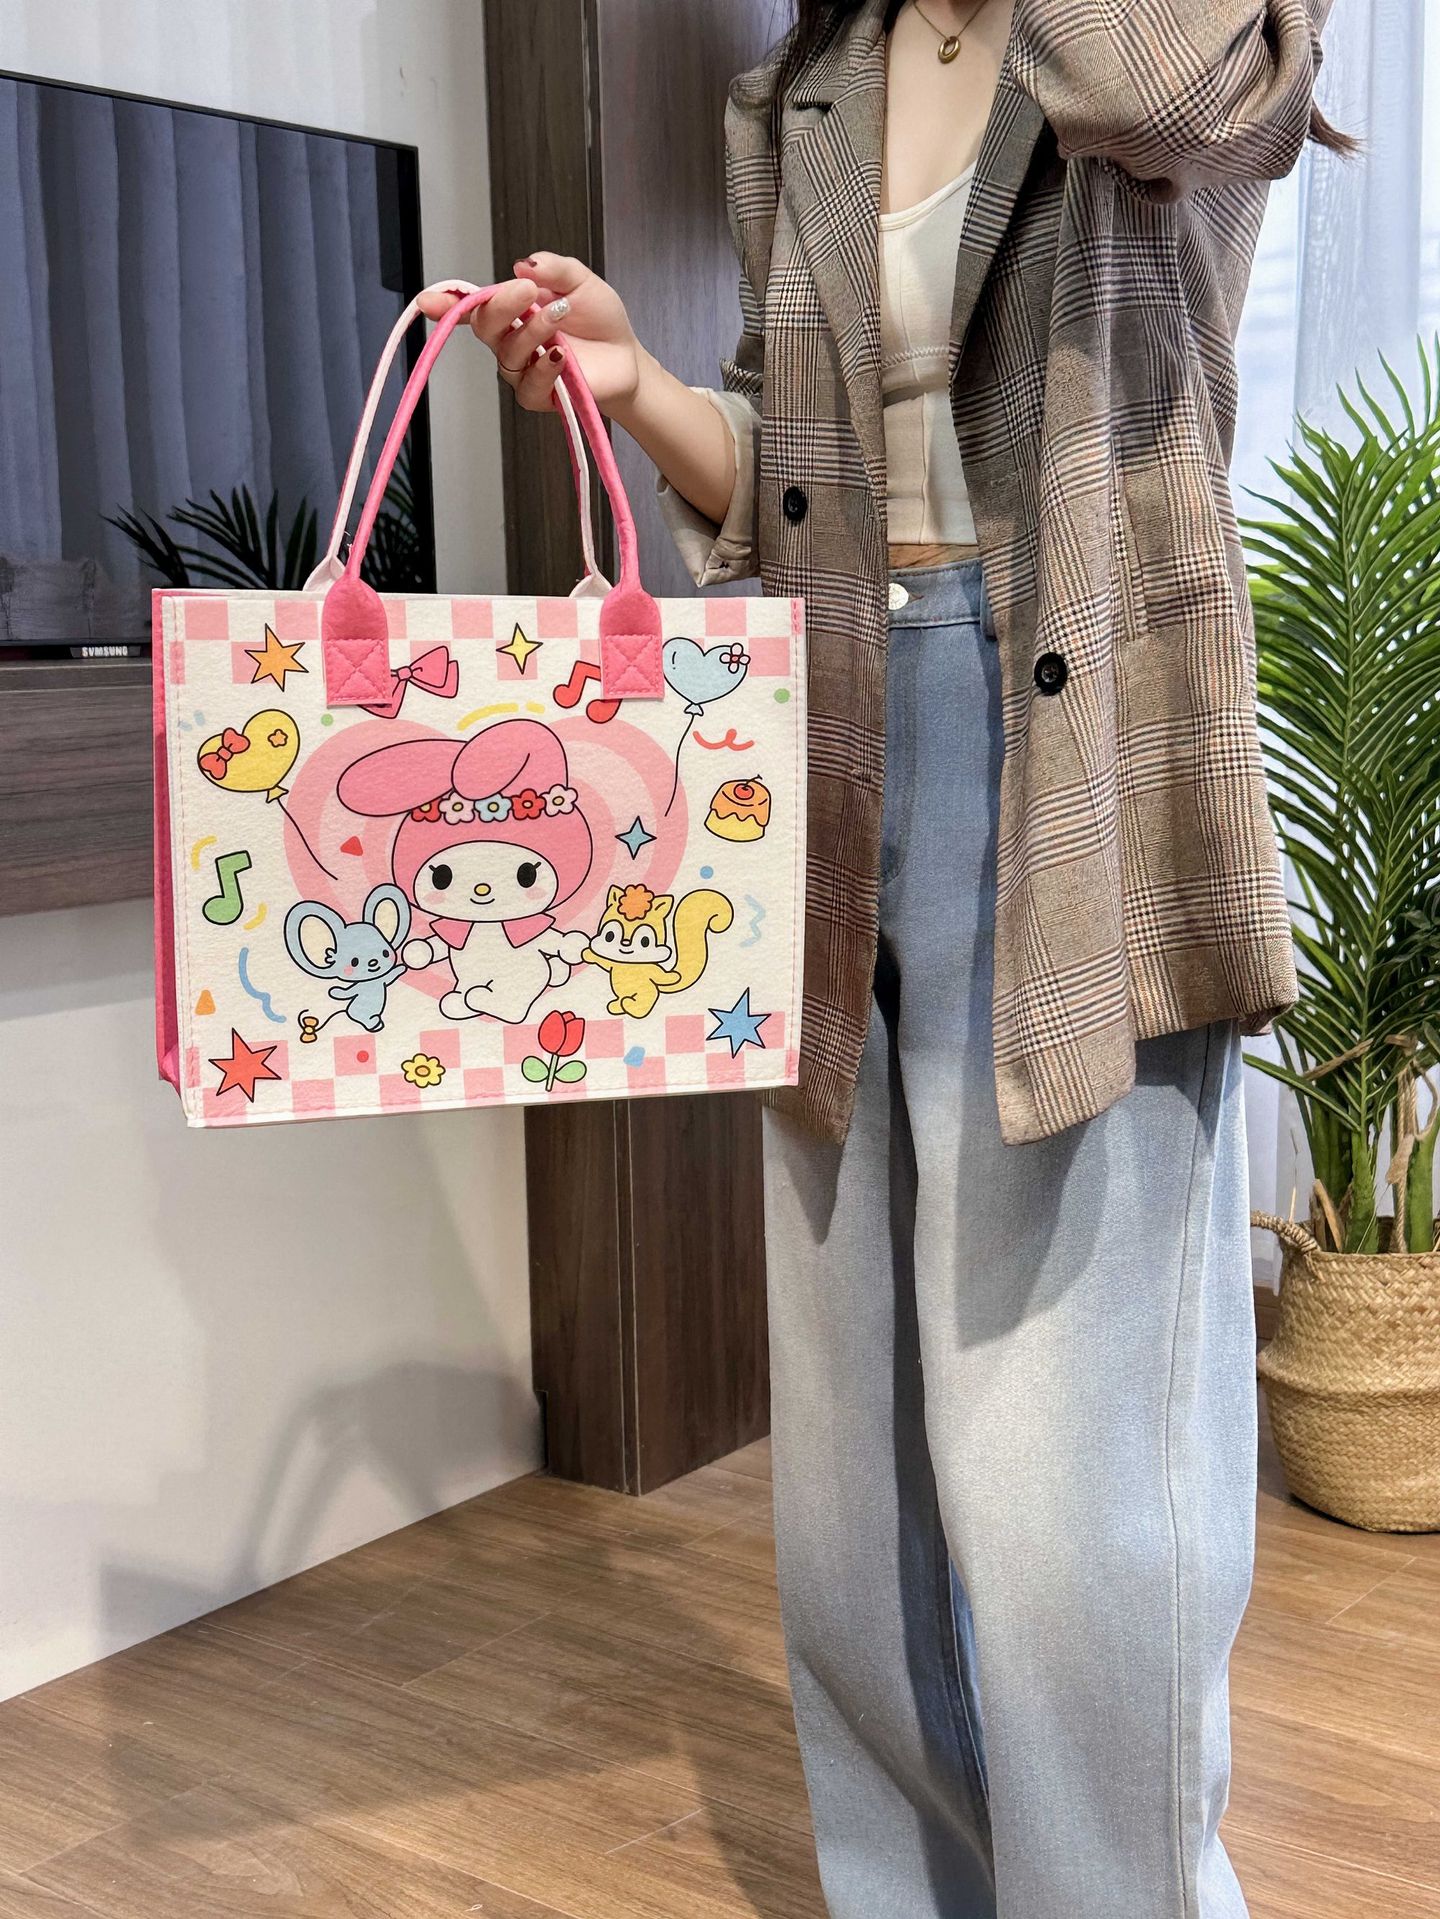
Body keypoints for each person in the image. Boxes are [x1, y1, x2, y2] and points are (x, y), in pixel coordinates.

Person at [424, 1, 1342, 1911]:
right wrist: (637, 383)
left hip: (1082, 770)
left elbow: (1145, 88)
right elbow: (799, 476)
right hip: (833, 758)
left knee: (1069, 1482)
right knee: (858, 1485)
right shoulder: (806, 89)